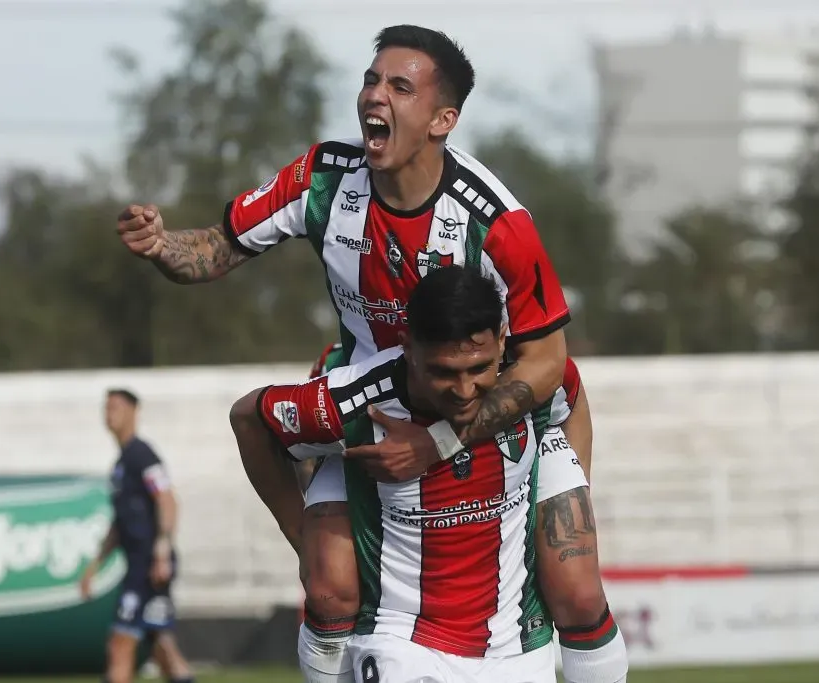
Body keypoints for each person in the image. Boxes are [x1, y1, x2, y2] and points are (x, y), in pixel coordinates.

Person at [116, 24, 626, 683]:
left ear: (444, 118)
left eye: (399, 86)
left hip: (501, 404)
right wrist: (161, 248)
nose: (374, 96)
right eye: (371, 79)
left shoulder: (497, 223)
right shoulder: (323, 181)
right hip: (370, 397)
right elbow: (215, 249)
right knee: (328, 585)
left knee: (578, 588)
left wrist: (444, 438)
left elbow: (547, 362)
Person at [241, 266, 576, 682]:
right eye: (443, 371)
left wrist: (578, 488)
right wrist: (298, 531)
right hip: (400, 636)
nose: (464, 390)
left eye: (479, 369)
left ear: (503, 339)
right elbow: (249, 419)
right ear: (408, 348)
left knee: (583, 590)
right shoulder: (354, 401)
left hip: (514, 646)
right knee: (329, 587)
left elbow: (572, 405)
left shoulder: (535, 381)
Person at [79, 389, 195, 683]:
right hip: (139, 564)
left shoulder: (142, 454)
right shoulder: (120, 465)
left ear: (134, 411)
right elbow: (119, 525)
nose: (109, 414)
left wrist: (161, 550)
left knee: (120, 643)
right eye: (106, 408)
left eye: (116, 407)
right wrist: (95, 565)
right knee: (161, 646)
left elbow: (167, 500)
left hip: (149, 566)